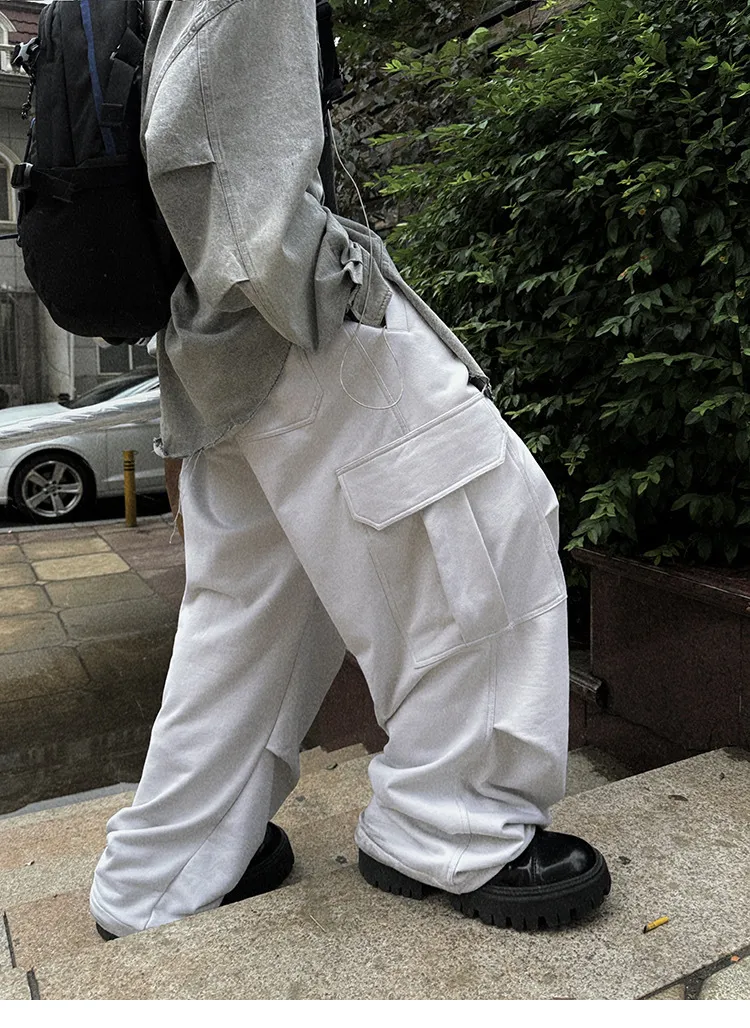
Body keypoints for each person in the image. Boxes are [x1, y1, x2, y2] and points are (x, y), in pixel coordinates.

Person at [90, 0, 611, 939]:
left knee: (254, 613)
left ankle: (167, 868)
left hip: (216, 338)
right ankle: (453, 825)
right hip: (288, 322)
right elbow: (198, 135)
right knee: (484, 520)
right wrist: (314, 282)